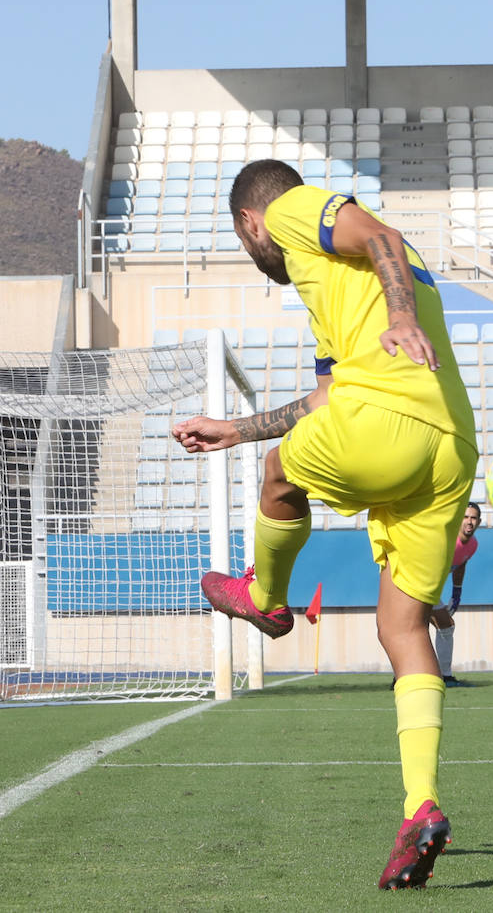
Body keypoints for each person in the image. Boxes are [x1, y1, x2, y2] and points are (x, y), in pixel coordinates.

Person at [173, 159, 477, 890]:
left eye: (246, 240)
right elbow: (324, 397)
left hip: (388, 420)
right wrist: (235, 429)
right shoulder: (336, 293)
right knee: (403, 630)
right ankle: (420, 808)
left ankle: (265, 597)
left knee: (282, 473)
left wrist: (400, 317)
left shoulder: (287, 210)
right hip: (451, 445)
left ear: (251, 224)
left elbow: (382, 234)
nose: (256, 250)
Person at [431, 503, 482, 686]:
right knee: (442, 626)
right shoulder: (446, 540)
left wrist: (456, 591)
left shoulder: (472, 544)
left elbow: (461, 564)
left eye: (473, 518)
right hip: (418, 585)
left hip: (429, 589)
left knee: (444, 627)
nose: (469, 522)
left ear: (479, 522)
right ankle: (443, 677)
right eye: (466, 517)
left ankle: (444, 676)